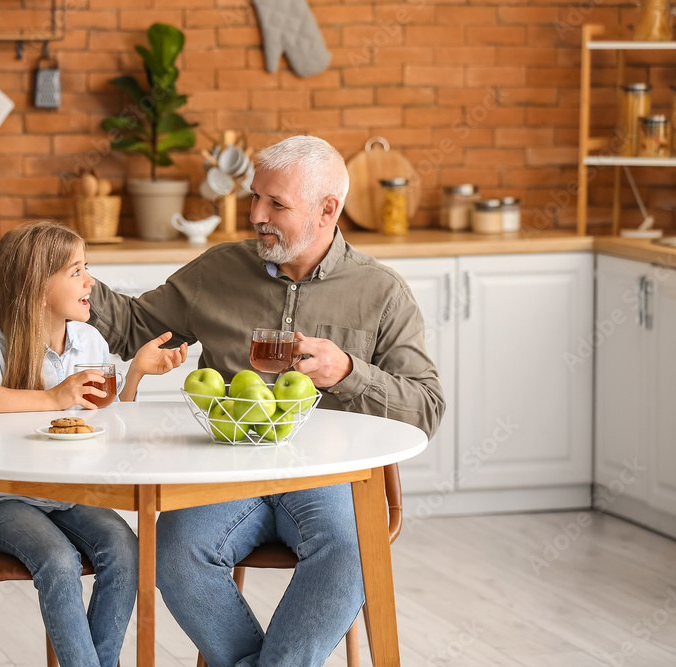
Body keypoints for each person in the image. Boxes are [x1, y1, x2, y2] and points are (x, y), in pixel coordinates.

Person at [87, 135, 445, 666]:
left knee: (349, 555)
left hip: (326, 476)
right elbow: (135, 328)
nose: (255, 214)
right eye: (256, 197)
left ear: (328, 210)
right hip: (222, 471)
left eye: (276, 204)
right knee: (174, 552)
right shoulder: (217, 271)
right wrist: (69, 274)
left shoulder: (381, 292)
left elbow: (426, 408)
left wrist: (347, 372)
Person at [0, 220, 188, 667]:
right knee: (58, 561)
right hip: (6, 502)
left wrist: (132, 376)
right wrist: (53, 397)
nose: (90, 280)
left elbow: (107, 422)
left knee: (126, 551)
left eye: (86, 267)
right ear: (37, 287)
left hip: (70, 495)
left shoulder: (89, 341)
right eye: (76, 271)